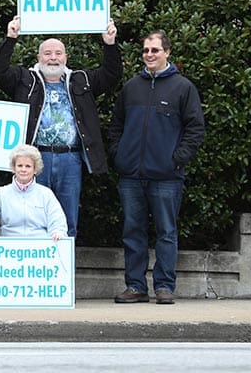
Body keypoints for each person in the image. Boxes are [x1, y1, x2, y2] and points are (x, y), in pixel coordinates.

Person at [0, 16, 121, 238]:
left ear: (66, 57)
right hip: (34, 159)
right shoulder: (25, 79)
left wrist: (110, 44)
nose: (53, 58)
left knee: (67, 219)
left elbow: (111, 75)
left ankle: (63, 269)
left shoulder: (81, 80)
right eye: (47, 53)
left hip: (70, 159)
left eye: (58, 53)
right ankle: (39, 268)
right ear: (39, 57)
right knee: (34, 218)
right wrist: (10, 38)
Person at [109, 31, 204, 305]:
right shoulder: (131, 87)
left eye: (155, 50)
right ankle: (136, 286)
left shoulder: (182, 87)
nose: (149, 55)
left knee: (166, 232)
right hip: (130, 176)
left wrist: (178, 158)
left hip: (166, 176)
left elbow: (195, 128)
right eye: (146, 51)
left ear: (167, 52)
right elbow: (116, 125)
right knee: (132, 232)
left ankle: (164, 286)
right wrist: (120, 155)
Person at [0, 144, 67, 239]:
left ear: (35, 170)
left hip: (39, 250)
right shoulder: (2, 193)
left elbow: (58, 221)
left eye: (28, 166)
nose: (23, 169)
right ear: (13, 168)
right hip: (9, 249)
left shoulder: (46, 194)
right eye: (20, 165)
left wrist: (58, 232)